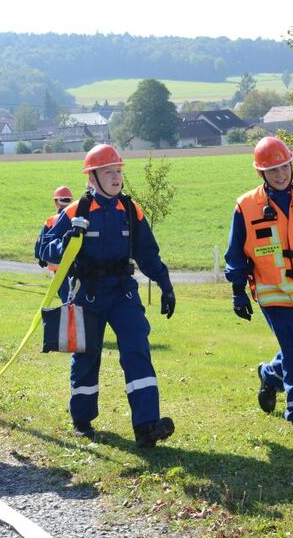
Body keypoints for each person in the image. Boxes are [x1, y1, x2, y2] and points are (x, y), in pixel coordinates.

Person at [39, 144, 176, 447]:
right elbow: (43, 249)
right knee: (87, 357)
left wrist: (165, 285)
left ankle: (146, 426)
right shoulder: (75, 211)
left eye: (118, 171)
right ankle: (82, 420)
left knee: (137, 348)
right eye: (108, 172)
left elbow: (148, 254)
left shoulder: (130, 210)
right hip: (87, 293)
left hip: (122, 292)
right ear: (92, 178)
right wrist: (65, 244)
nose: (116, 178)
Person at [225, 136, 293, 433]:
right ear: (261, 173)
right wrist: (237, 292)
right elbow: (235, 254)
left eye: (285, 167)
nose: (281, 174)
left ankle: (271, 375)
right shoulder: (246, 207)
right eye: (273, 170)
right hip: (274, 295)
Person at [35, 185, 74, 302]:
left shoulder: (52, 220)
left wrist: (39, 256)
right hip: (76, 266)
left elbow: (41, 240)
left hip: (58, 266)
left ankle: (70, 318)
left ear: (56, 202)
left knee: (66, 297)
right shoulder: (79, 218)